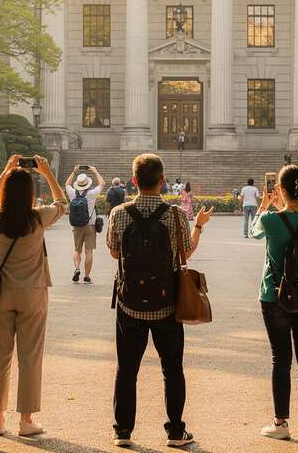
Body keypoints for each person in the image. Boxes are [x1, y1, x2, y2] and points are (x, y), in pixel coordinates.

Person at [107, 153, 213, 448]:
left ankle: (123, 431)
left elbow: (114, 253)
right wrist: (200, 225)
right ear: (163, 181)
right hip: (167, 304)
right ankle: (176, 432)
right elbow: (185, 253)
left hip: (129, 304)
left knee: (126, 369)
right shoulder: (176, 214)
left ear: (134, 181)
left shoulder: (119, 213)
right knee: (172, 369)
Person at [0, 154, 67, 437]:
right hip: (32, 293)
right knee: (30, 357)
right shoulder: (38, 218)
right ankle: (26, 420)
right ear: (31, 194)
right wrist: (46, 173)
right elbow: (62, 203)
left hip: (1, 293)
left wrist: (5, 171)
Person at [250, 165, 298, 440]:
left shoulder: (270, 220)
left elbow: (254, 232)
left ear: (280, 190)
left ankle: (281, 423)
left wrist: (266, 205)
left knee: (281, 360)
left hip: (275, 294)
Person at [66, 165, 105, 284]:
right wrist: (95, 171)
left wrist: (74, 171)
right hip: (90, 226)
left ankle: (77, 269)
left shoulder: (72, 193)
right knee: (89, 251)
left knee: (77, 250)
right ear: (87, 183)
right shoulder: (92, 193)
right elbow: (102, 183)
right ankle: (87, 277)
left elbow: (67, 184)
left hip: (77, 226)